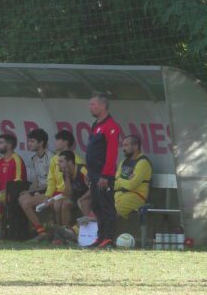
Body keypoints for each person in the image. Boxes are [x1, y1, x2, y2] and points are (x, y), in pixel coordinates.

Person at [85, 92, 120, 249]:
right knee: (96, 205)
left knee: (106, 206)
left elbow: (111, 153)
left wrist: (106, 174)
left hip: (103, 176)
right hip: (93, 174)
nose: (90, 107)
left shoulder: (111, 126)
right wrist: (89, 173)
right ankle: (100, 237)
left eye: (93, 104)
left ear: (103, 105)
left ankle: (109, 238)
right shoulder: (96, 125)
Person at [42, 130, 85, 228]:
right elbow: (51, 179)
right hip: (58, 193)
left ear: (65, 142)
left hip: (72, 194)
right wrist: (49, 195)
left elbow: (82, 185)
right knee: (53, 204)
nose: (55, 142)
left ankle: (65, 231)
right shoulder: (54, 159)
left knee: (58, 204)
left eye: (57, 140)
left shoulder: (78, 161)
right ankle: (57, 231)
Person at [18, 129, 52, 240]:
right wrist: (29, 190)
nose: (29, 144)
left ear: (41, 143)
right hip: (41, 191)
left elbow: (51, 184)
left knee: (26, 202)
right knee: (22, 198)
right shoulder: (34, 159)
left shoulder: (51, 158)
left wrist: (30, 192)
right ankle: (39, 230)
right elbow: (37, 180)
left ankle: (42, 232)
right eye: (29, 141)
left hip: (52, 192)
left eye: (32, 141)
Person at [54, 150, 90, 243]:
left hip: (88, 197)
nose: (58, 164)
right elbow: (68, 194)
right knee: (62, 204)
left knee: (84, 202)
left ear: (70, 162)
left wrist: (81, 199)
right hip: (76, 198)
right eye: (58, 161)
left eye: (61, 161)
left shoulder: (82, 169)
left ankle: (85, 235)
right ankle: (65, 233)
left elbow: (93, 189)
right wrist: (66, 177)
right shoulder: (65, 173)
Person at [115, 135, 153, 219]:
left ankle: (95, 231)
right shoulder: (123, 162)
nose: (123, 148)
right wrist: (126, 180)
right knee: (100, 205)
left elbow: (131, 185)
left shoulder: (143, 162)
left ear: (136, 146)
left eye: (126, 145)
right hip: (120, 195)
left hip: (136, 196)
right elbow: (115, 183)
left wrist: (120, 180)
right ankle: (85, 230)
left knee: (109, 213)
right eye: (123, 145)